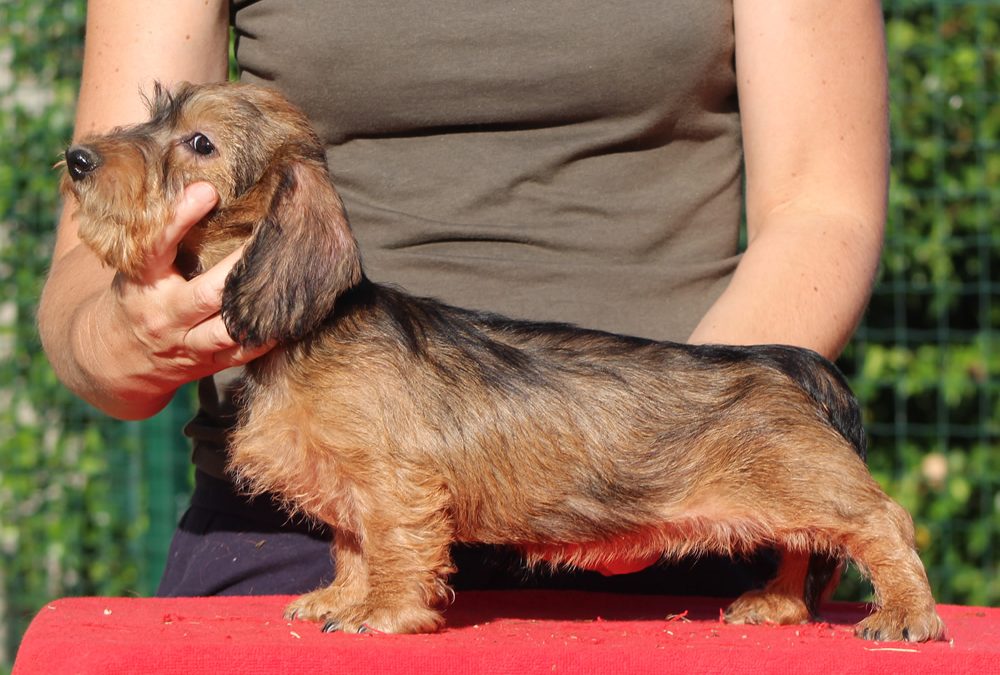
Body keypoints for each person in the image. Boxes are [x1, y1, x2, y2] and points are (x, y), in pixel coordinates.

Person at [38, 0, 888, 597]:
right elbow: (87, 243)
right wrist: (124, 334)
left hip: (661, 484)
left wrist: (658, 446)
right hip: (305, 529)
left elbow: (823, 205)